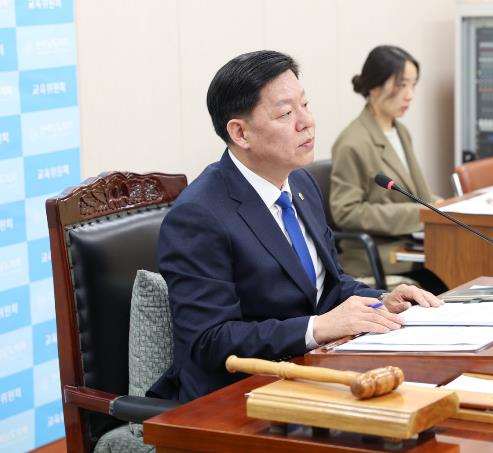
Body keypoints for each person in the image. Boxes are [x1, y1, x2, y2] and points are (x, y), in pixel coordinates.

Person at [147, 50, 442, 403]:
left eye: (305, 105)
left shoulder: (301, 183)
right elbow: (209, 340)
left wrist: (381, 301)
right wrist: (318, 327)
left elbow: (329, 286)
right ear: (240, 132)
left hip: (310, 371)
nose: (307, 122)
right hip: (238, 396)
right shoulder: (198, 216)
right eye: (286, 113)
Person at [330, 45, 447, 294]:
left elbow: (418, 194)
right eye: (402, 85)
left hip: (413, 249)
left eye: (413, 85)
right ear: (374, 85)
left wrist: (445, 205)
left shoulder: (400, 131)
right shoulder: (352, 142)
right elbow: (346, 212)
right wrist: (419, 213)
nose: (410, 95)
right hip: (380, 257)